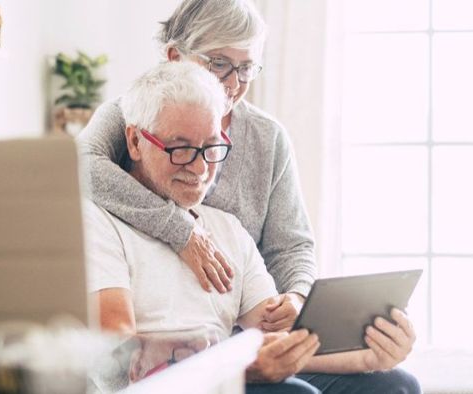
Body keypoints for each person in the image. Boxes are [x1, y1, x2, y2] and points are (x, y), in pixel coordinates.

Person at [84, 61, 420, 394]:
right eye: (182, 148)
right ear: (134, 142)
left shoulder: (226, 229)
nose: (201, 168)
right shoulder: (99, 222)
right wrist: (232, 363)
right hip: (159, 386)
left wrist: (369, 355)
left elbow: (280, 342)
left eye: (212, 147)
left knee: (395, 385)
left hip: (224, 375)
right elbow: (115, 355)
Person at [78, 0, 312, 332]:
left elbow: (292, 246)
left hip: (247, 325)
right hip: (167, 337)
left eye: (246, 68)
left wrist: (298, 297)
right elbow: (81, 169)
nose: (232, 84)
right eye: (219, 64)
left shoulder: (268, 138)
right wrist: (182, 230)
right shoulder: (134, 115)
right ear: (174, 58)